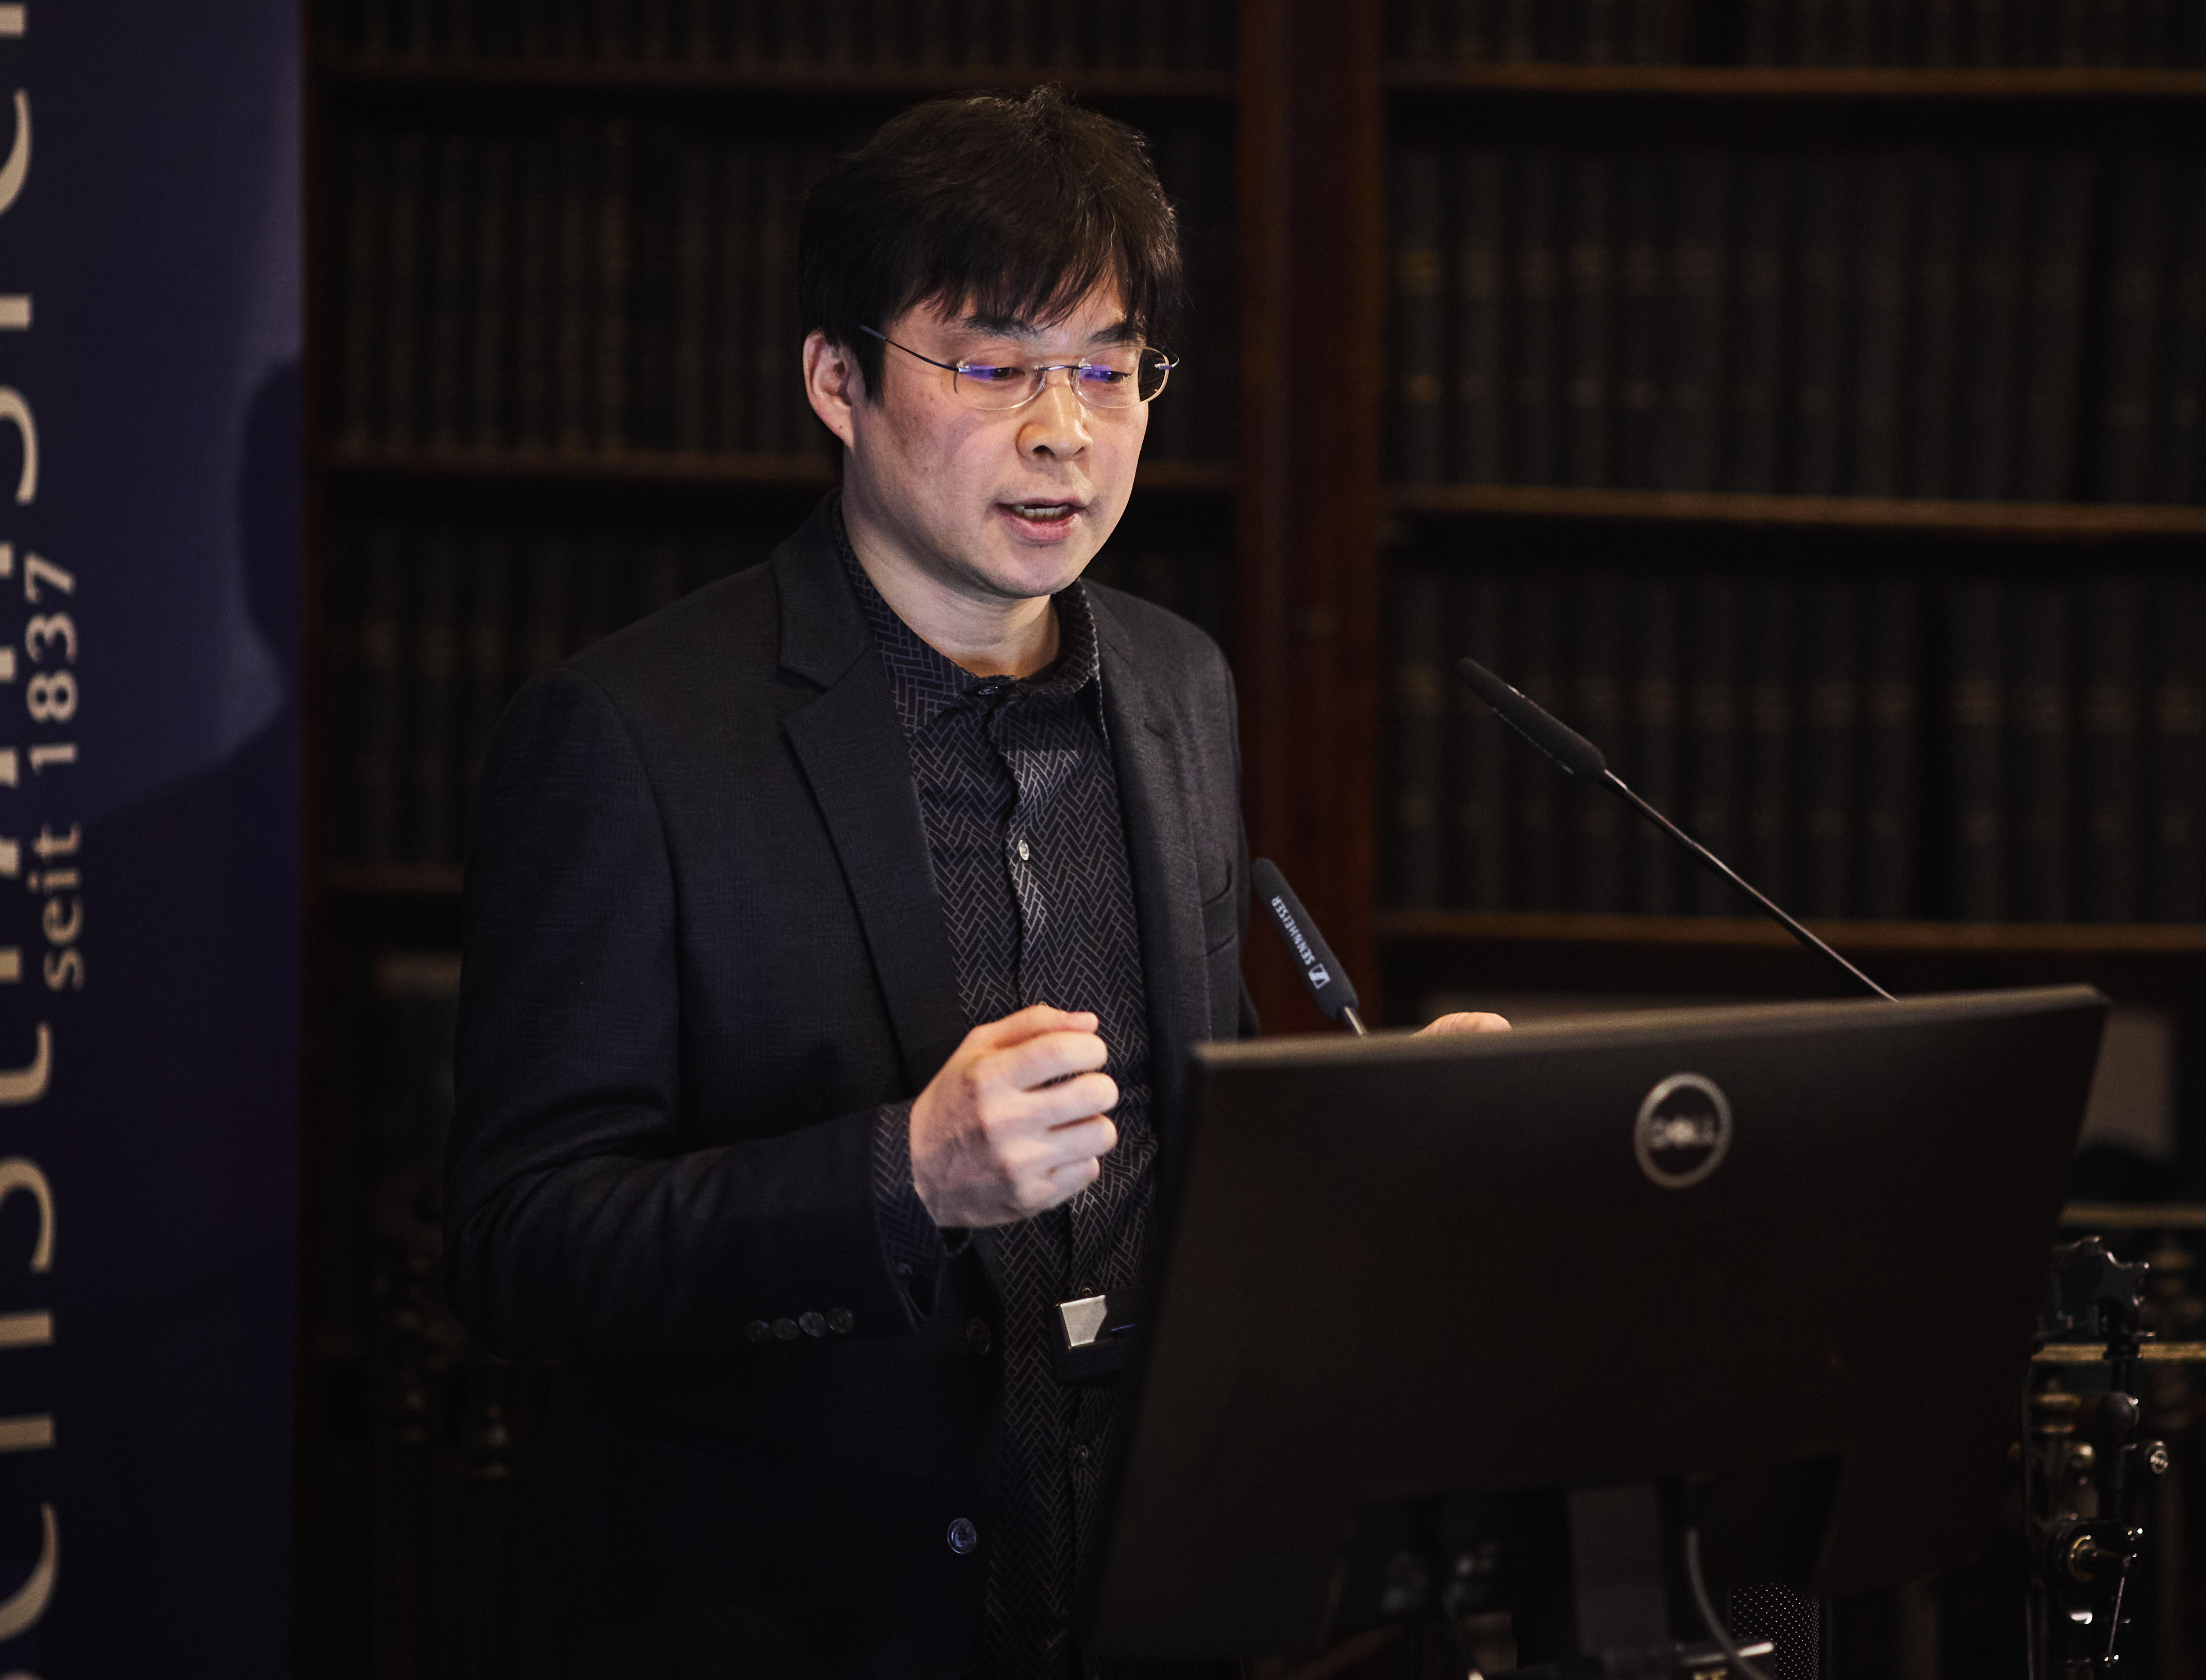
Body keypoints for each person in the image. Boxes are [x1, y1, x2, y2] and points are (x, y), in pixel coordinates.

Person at [443, 87, 1503, 1680]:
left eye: (1108, 369)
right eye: (996, 367)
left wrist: (1369, 1142)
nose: (1064, 430)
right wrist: (904, 1177)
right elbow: (518, 1251)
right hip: (795, 1626)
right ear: (838, 380)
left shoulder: (1178, 686)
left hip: (1139, 1610)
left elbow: (1183, 1144)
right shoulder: (629, 738)